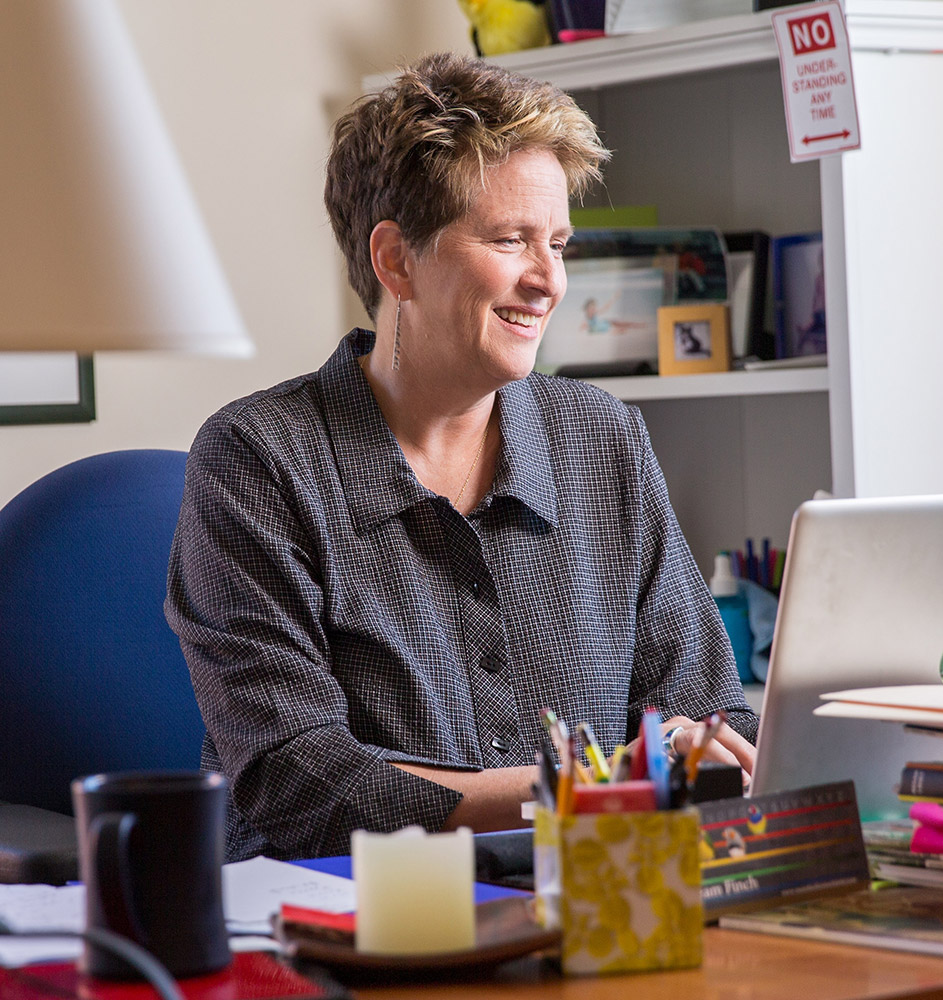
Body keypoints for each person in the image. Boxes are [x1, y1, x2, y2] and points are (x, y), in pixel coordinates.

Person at [166, 52, 757, 861]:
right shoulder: (258, 461)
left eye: (559, 243)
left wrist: (700, 748)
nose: (549, 279)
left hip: (596, 907)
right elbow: (297, 783)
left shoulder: (602, 438)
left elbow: (711, 708)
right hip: (352, 935)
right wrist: (591, 787)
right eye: (512, 240)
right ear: (395, 260)